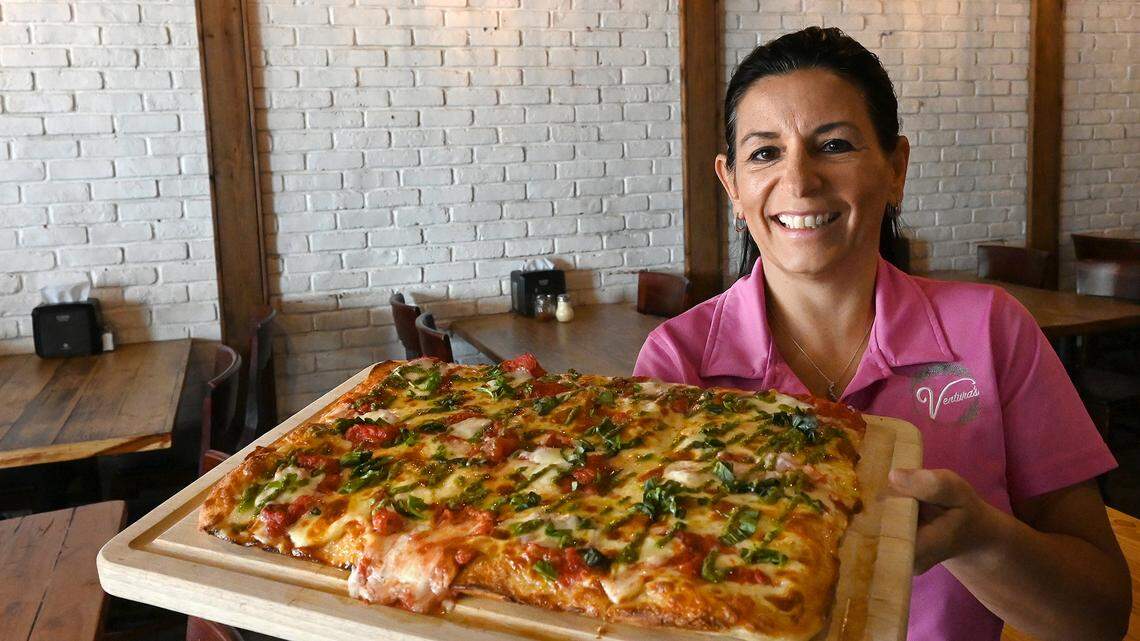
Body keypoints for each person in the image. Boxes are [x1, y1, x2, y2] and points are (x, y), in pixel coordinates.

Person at [633, 27, 1130, 641]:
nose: (800, 180)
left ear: (895, 169)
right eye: (764, 153)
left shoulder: (991, 330)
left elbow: (1098, 618)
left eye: (834, 145)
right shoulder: (677, 362)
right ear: (732, 184)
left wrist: (980, 539)